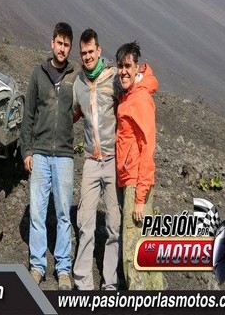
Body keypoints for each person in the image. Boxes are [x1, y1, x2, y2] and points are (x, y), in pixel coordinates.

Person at [21, 22, 78, 291]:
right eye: (59, 43)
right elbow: (28, 115)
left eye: (67, 45)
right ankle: (38, 266)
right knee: (37, 213)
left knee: (64, 214)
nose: (62, 48)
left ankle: (63, 269)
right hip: (41, 154)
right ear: (52, 42)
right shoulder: (38, 74)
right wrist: (27, 150)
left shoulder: (75, 76)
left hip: (65, 154)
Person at [72, 29, 121, 290]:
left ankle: (110, 283)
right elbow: (71, 113)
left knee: (113, 225)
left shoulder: (113, 78)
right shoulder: (78, 83)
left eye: (92, 51)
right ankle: (83, 283)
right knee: (85, 224)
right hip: (91, 160)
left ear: (99, 51)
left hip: (113, 161)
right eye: (84, 53)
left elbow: (137, 88)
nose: (88, 56)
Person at [115, 41, 164, 290]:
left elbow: (147, 148)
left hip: (136, 183)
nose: (123, 71)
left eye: (128, 66)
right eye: (120, 66)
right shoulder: (131, 95)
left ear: (137, 68)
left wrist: (139, 197)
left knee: (133, 253)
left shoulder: (140, 99)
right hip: (134, 180)